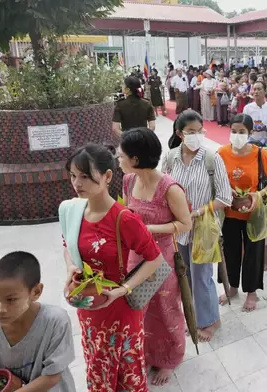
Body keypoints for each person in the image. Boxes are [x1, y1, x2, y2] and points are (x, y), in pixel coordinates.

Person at [60, 144, 166, 392]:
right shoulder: (73, 210)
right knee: (97, 367)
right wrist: (70, 269)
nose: (77, 183)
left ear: (107, 176)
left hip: (120, 311)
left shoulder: (123, 218)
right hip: (89, 307)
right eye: (73, 176)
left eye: (86, 175)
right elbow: (67, 243)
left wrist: (123, 289)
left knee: (127, 376)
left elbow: (155, 259)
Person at [117, 128, 192, 386]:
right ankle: (148, 353)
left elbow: (185, 224)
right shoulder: (128, 181)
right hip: (136, 258)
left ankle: (170, 359)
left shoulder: (170, 189)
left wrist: (148, 230)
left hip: (162, 259)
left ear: (136, 159)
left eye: (122, 155)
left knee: (165, 309)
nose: (118, 159)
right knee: (140, 310)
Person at [161, 110, 233, 342]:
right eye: (190, 132)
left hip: (203, 227)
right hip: (178, 229)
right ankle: (194, 316)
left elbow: (225, 197)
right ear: (180, 134)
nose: (196, 136)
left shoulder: (212, 158)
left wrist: (198, 212)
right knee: (186, 276)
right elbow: (163, 189)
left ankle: (210, 320)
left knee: (202, 276)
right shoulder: (171, 158)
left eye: (199, 131)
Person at [0, 251, 75, 390]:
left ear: (36, 292)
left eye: (11, 299)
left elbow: (52, 375)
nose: (0, 309)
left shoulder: (56, 322)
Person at [218, 114, 267, 311]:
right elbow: (217, 180)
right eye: (234, 131)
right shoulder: (222, 153)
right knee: (230, 251)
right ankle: (233, 286)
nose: (237, 135)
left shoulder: (259, 154)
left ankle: (252, 293)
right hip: (230, 212)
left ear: (250, 133)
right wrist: (227, 190)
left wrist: (257, 195)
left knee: (254, 252)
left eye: (242, 132)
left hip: (254, 213)